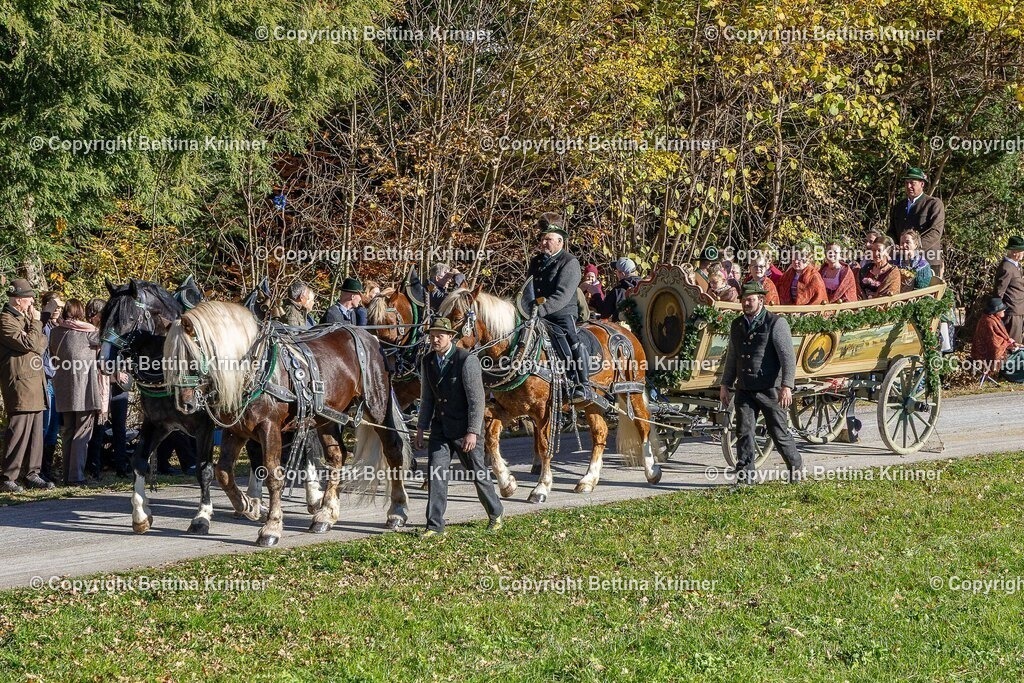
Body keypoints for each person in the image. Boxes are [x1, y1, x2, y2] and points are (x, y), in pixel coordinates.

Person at [414, 317, 503, 537]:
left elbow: (477, 400)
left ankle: (496, 513)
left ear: (451, 337)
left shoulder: (467, 360)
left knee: (477, 473)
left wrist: (473, 431)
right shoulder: (428, 361)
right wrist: (421, 428)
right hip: (440, 429)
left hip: (466, 430)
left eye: (439, 336)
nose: (434, 339)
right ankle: (434, 525)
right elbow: (427, 399)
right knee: (436, 474)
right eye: (432, 335)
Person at [719, 282, 803, 483]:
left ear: (761, 300)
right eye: (744, 299)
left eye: (751, 299)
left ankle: (796, 469)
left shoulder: (776, 323)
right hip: (745, 389)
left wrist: (787, 386)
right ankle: (745, 478)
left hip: (770, 389)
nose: (746, 303)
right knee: (744, 433)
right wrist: (725, 384)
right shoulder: (737, 324)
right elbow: (732, 357)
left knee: (778, 433)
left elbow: (788, 358)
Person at [526, 212, 591, 402]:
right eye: (542, 239)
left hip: (561, 313)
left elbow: (562, 295)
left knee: (572, 339)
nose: (543, 243)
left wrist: (541, 311)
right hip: (535, 313)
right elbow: (527, 288)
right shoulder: (535, 261)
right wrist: (522, 307)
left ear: (560, 241)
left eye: (548, 239)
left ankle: (582, 383)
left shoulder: (570, 262)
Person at [0, 279, 52, 492]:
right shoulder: (5, 320)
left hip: (35, 383)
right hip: (20, 384)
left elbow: (41, 345)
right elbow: (32, 344)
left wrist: (34, 332)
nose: (32, 302)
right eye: (29, 298)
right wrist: (36, 325)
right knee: (18, 431)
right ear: (18, 300)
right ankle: (8, 477)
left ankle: (32, 473)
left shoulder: (26, 320)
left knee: (35, 434)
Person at [49, 299, 107, 486]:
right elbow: (106, 344)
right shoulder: (89, 332)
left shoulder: (56, 332)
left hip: (64, 389)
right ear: (80, 312)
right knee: (82, 433)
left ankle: (67, 475)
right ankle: (76, 476)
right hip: (84, 390)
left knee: (68, 432)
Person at [889, 167, 946, 277]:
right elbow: (891, 231)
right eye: (906, 183)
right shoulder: (898, 207)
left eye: (912, 183)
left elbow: (935, 233)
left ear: (922, 184)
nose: (908, 186)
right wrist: (892, 246)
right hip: (901, 262)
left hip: (928, 261)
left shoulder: (934, 204)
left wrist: (914, 249)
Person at [40, 291, 64, 483]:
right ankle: (37, 470)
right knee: (45, 426)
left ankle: (46, 469)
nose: (57, 309)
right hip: (46, 377)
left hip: (59, 379)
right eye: (53, 305)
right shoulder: (42, 325)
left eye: (60, 306)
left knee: (54, 428)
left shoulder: (61, 325)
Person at [970, 297, 1024, 379]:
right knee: (1022, 355)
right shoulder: (989, 322)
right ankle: (1017, 378)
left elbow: (1000, 338)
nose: (1004, 310)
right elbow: (994, 343)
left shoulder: (994, 319)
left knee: (1021, 351)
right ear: (996, 311)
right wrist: (1009, 344)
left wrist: (1013, 344)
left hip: (1001, 351)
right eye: (1002, 309)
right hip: (991, 356)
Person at [993, 236, 1024, 343]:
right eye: (1022, 251)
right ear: (1015, 252)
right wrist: (998, 310)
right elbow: (999, 292)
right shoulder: (1006, 268)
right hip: (1011, 312)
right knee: (1012, 345)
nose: (1023, 254)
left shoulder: (1015, 266)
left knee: (1017, 343)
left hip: (1017, 310)